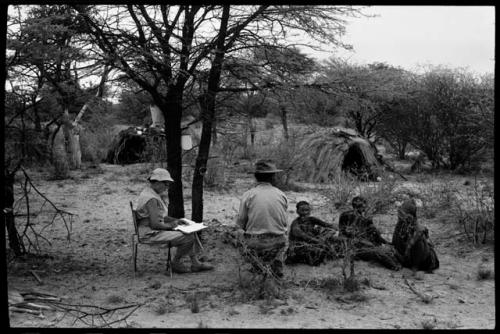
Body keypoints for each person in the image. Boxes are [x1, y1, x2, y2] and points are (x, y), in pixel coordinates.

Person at [135, 168, 213, 274]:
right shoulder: (151, 199)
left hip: (149, 230)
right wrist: (172, 225)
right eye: (166, 184)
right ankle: (175, 263)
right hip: (149, 234)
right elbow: (155, 224)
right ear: (157, 182)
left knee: (189, 232)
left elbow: (159, 217)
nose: (167, 187)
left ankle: (195, 263)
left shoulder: (149, 193)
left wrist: (177, 220)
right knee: (188, 237)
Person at [236, 160, 288, 279]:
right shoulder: (281, 194)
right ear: (273, 177)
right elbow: (283, 221)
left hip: (255, 242)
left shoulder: (248, 194)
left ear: (256, 177)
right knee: (281, 239)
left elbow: (241, 221)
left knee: (238, 232)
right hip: (278, 241)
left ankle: (256, 265)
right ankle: (276, 268)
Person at [338, 196, 401, 271]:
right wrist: (386, 243)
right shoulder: (360, 218)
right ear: (361, 206)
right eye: (364, 206)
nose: (365, 208)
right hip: (354, 248)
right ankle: (395, 267)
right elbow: (348, 234)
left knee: (380, 251)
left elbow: (343, 233)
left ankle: (396, 265)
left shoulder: (346, 215)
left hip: (350, 246)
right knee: (378, 252)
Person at [286, 201, 341, 266]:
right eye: (302, 210)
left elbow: (326, 225)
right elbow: (305, 236)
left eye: (307, 210)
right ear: (297, 211)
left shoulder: (312, 219)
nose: (305, 212)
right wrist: (320, 241)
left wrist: (337, 228)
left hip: (310, 243)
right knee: (319, 253)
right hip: (298, 247)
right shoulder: (295, 224)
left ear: (309, 211)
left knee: (334, 240)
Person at [392, 199, 439, 272]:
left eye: (403, 213)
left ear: (410, 215)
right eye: (400, 213)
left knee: (418, 239)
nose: (400, 215)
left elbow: (419, 233)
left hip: (423, 262)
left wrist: (409, 246)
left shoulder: (417, 228)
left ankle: (415, 266)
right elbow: (395, 241)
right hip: (406, 259)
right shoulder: (401, 224)